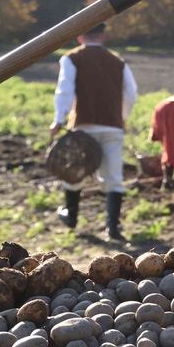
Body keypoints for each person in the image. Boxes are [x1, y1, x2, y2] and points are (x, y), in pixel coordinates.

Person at [50, 23, 138, 241]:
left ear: (80, 36)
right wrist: (120, 117)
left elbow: (65, 90)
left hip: (83, 126)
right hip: (112, 126)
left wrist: (58, 120)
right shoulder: (118, 61)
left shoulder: (71, 58)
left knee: (74, 170)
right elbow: (131, 94)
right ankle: (113, 228)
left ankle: (71, 216)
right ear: (103, 36)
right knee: (113, 177)